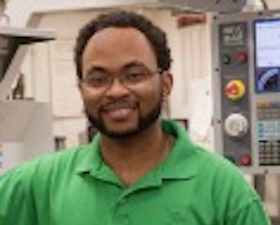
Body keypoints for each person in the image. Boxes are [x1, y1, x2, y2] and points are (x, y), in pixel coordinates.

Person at [0, 10, 271, 225]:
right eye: (98, 79)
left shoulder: (224, 191)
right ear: (82, 88)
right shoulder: (39, 185)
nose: (116, 90)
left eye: (134, 75)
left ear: (166, 84)